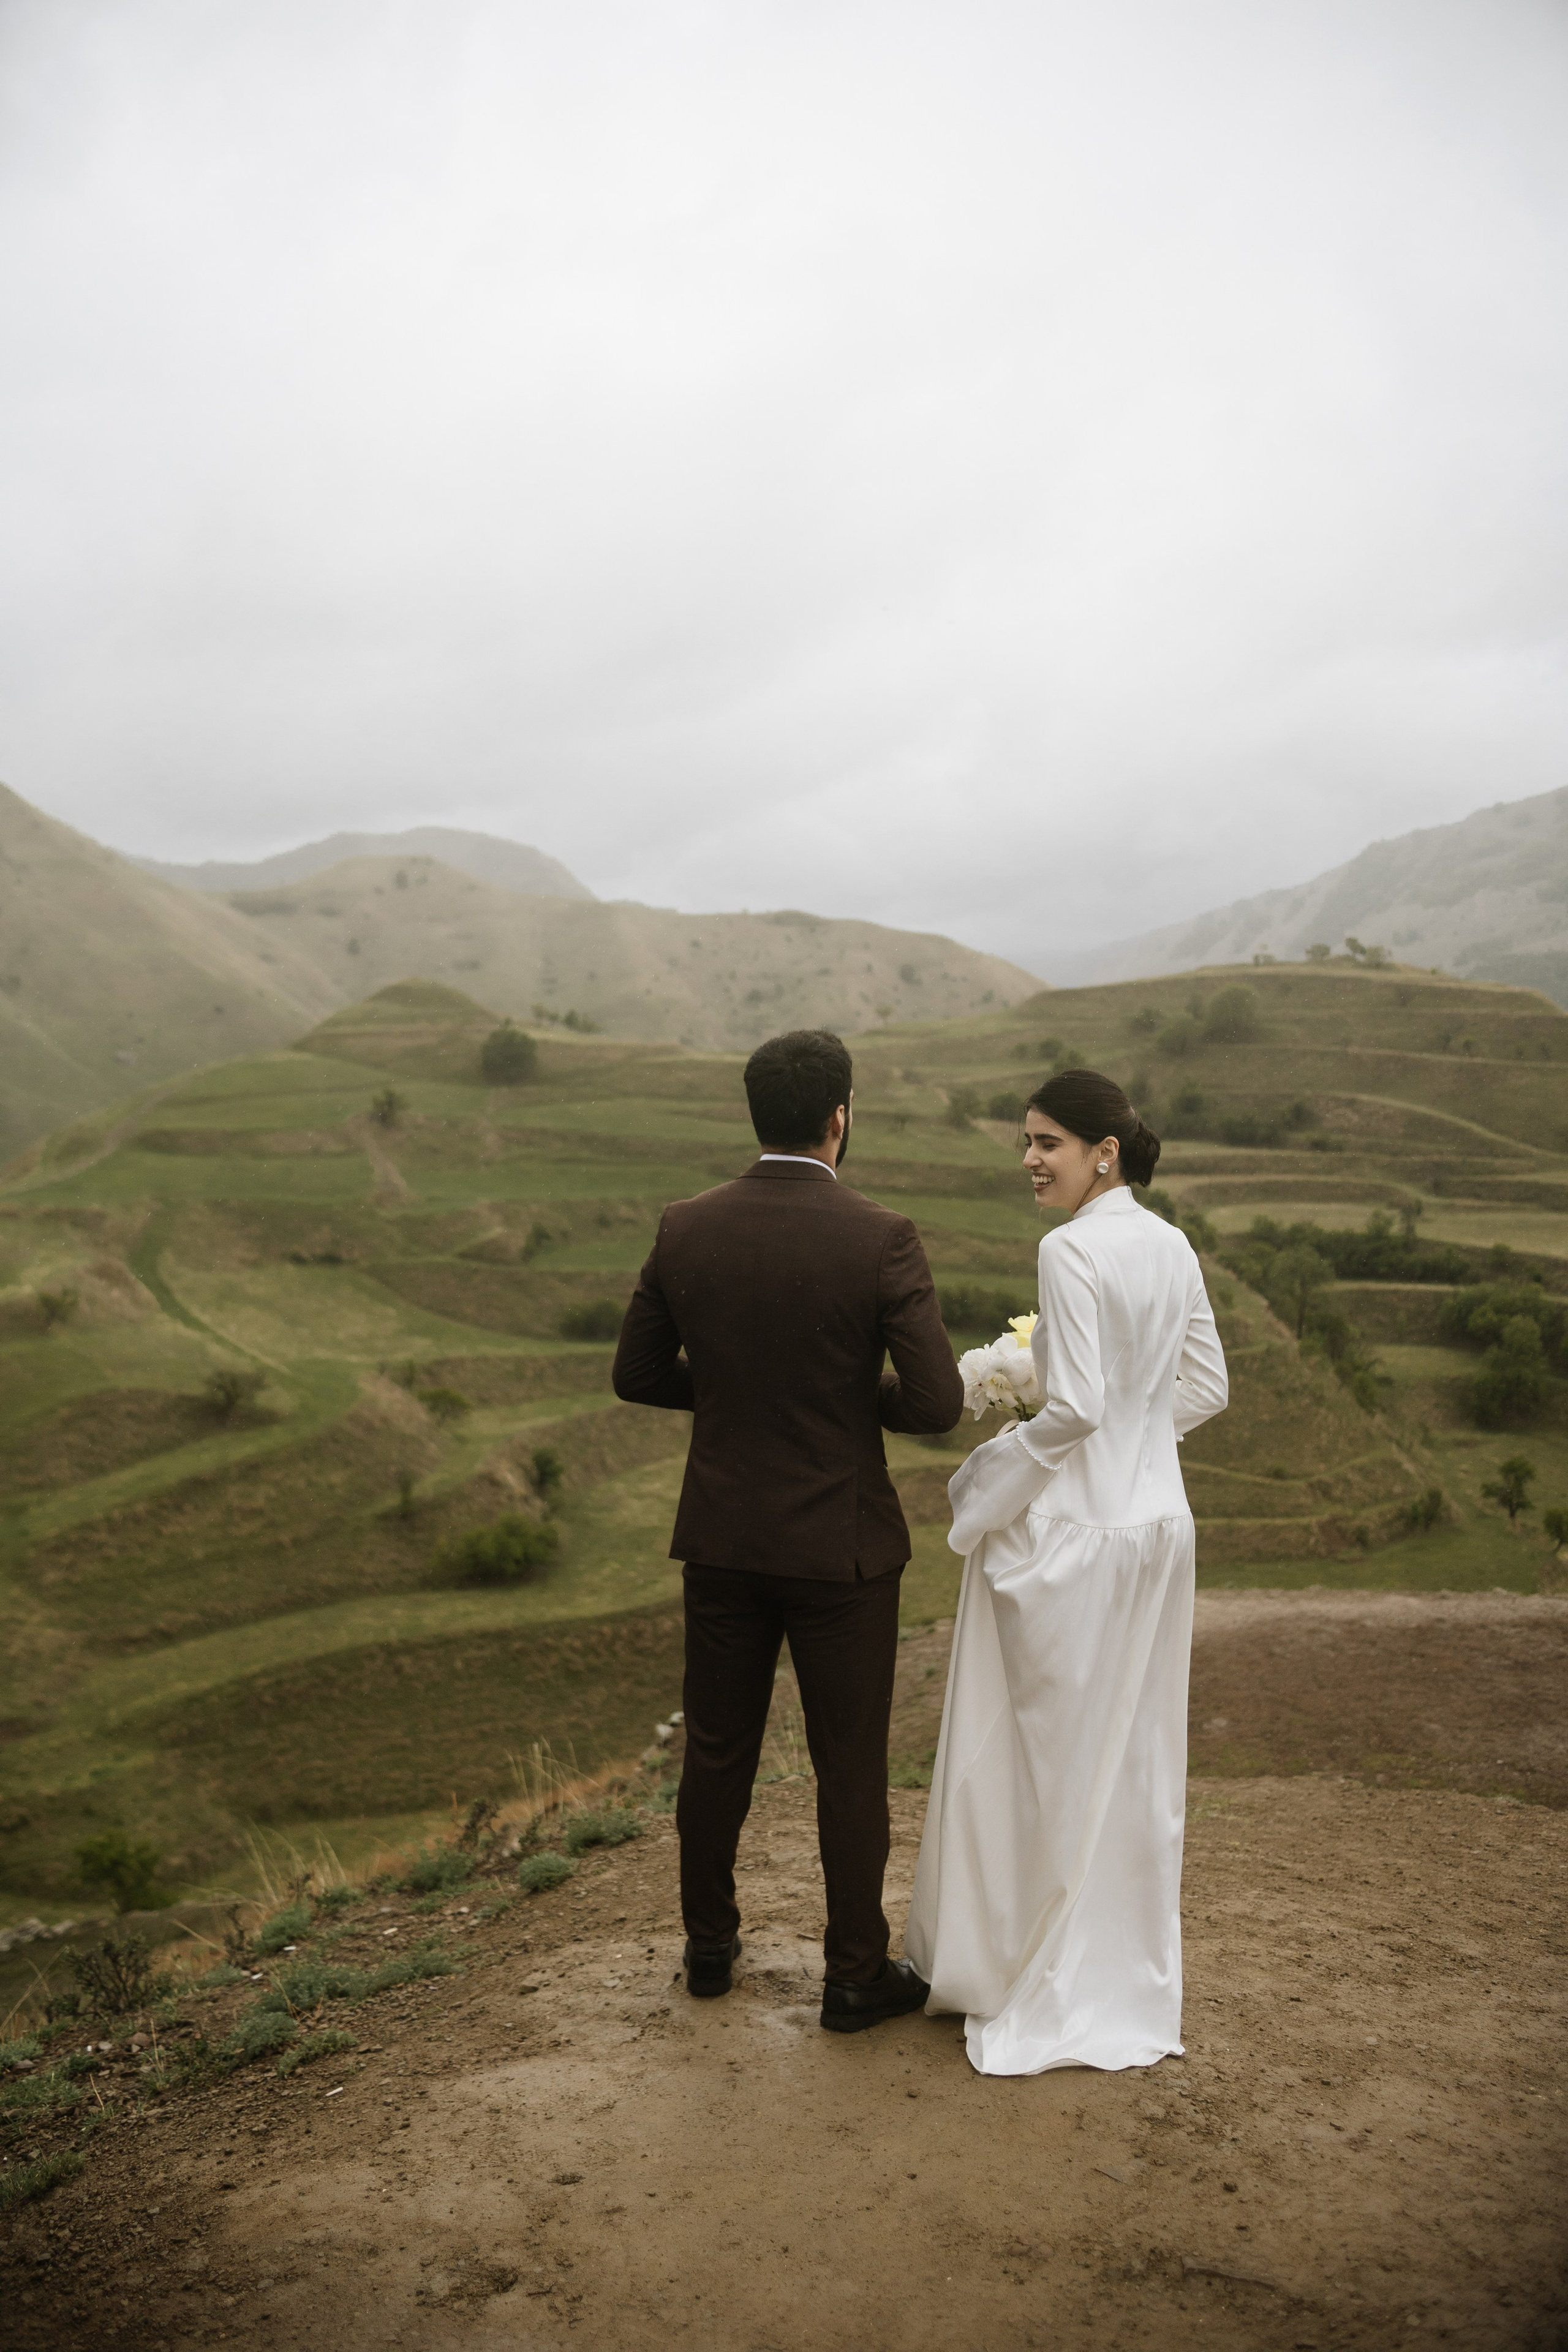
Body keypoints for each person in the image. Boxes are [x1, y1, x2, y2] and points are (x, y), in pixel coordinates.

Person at [612, 1028, 964, 2030]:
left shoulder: (687, 1226)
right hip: (841, 1550)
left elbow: (637, 1374)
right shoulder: (881, 1237)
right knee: (848, 1763)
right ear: (840, 1117)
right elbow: (935, 1402)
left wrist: (738, 1393)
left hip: (723, 1537)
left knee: (717, 1749)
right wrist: (846, 1401)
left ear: (757, 1113)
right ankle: (853, 1975)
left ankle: (709, 1947)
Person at [905, 1067, 1227, 2076]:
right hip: (1159, 1528)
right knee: (1132, 1758)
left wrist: (991, 1476)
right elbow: (1207, 1388)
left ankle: (1015, 1966)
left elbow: (1078, 1406)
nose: (1031, 1160)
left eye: (1047, 1142)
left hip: (1079, 1537)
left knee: (1037, 1759)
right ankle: (1121, 1977)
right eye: (1027, 1142)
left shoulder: (1070, 1249)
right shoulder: (1172, 1244)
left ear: (1105, 1153)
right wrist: (1137, 1439)